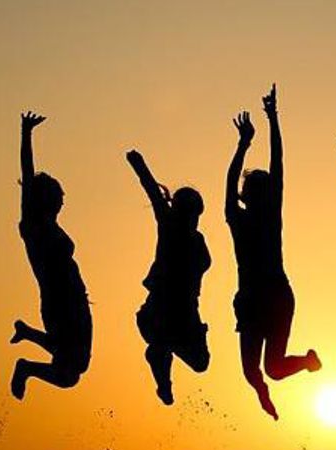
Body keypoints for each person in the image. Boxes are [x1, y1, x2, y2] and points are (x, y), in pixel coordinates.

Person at [225, 85, 321, 420]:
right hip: (252, 301)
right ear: (246, 195)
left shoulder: (270, 215)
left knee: (275, 369)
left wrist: (272, 119)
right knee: (253, 373)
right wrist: (243, 144)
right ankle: (263, 391)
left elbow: (278, 164)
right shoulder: (236, 218)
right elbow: (230, 184)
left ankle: (307, 361)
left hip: (277, 297)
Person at [9, 111, 93, 398]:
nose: (62, 202)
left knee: (72, 371)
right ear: (46, 200)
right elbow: (27, 173)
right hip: (58, 300)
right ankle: (26, 361)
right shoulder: (32, 227)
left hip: (77, 296)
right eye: (58, 197)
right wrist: (26, 133)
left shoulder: (53, 226)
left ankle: (27, 342)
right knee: (71, 367)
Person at [126, 149, 211, 405]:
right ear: (180, 211)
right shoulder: (169, 226)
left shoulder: (199, 239)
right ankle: (162, 372)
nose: (193, 219)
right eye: (190, 213)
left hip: (188, 310)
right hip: (160, 307)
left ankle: (162, 347)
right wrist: (139, 164)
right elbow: (153, 192)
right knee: (161, 344)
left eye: (196, 215)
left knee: (201, 363)